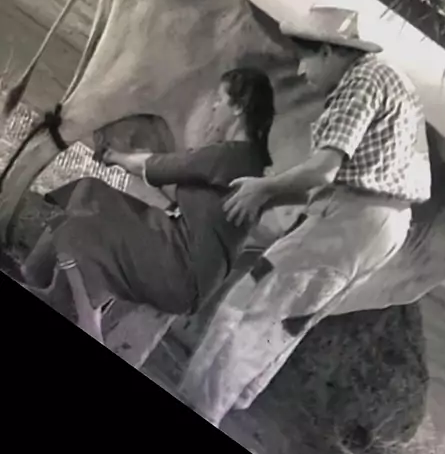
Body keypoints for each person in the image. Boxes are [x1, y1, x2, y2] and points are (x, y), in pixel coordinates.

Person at [179, 6, 432, 427]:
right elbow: (341, 175)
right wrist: (276, 198)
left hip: (352, 220)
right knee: (277, 310)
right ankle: (214, 395)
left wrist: (263, 188)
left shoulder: (361, 81)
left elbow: (323, 169)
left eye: (306, 57)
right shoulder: (388, 79)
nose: (300, 70)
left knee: (258, 310)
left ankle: (203, 406)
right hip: (379, 223)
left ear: (331, 51)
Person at [21, 67, 275, 342]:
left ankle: (72, 309)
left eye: (220, 100)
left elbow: (157, 166)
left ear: (238, 107)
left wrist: (115, 156)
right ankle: (36, 277)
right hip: (177, 249)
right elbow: (173, 178)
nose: (214, 106)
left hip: (181, 269)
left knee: (84, 225)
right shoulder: (246, 160)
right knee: (89, 192)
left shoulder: (231, 156)